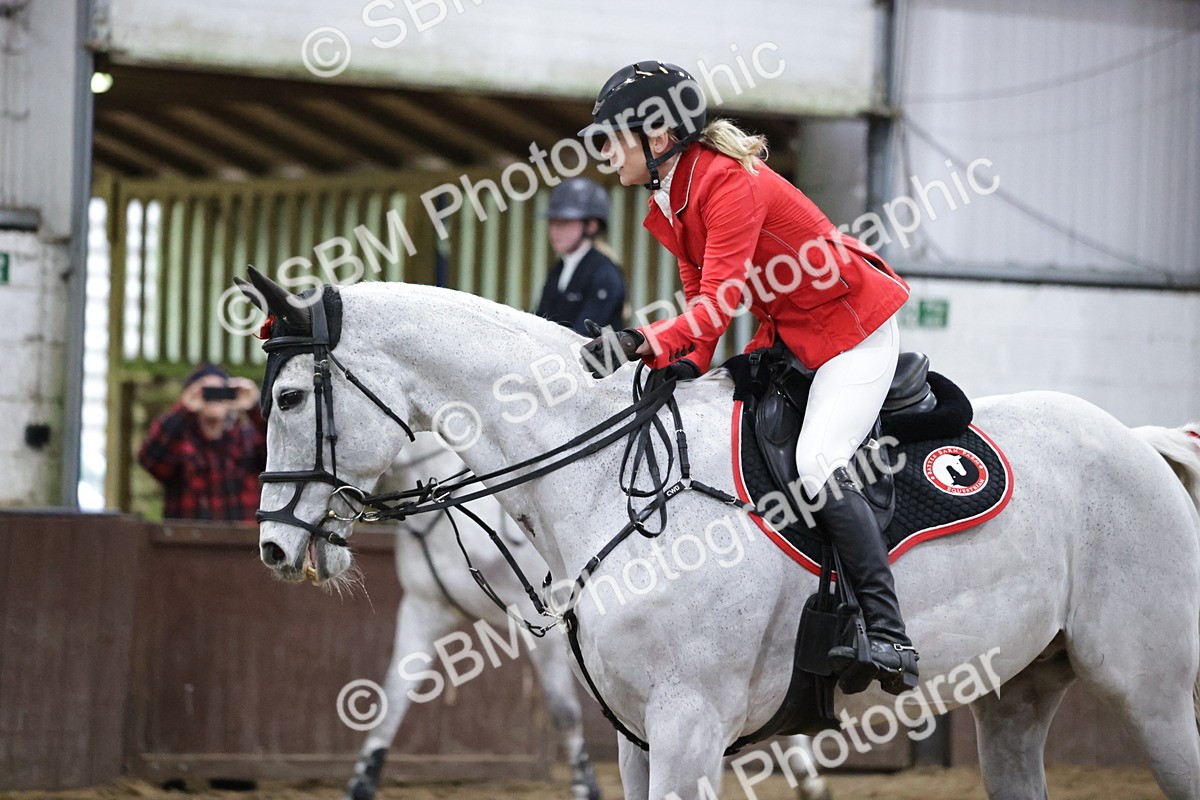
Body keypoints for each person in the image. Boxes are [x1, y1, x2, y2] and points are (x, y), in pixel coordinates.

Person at [577, 61, 918, 695]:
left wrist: (640, 340)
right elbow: (699, 298)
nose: (605, 152)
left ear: (658, 137)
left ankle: (888, 631)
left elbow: (720, 302)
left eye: (613, 138)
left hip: (852, 329)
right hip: (792, 335)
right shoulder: (671, 196)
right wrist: (682, 363)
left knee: (818, 461)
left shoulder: (728, 182)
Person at [138, 363, 266, 522]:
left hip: (242, 536)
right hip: (188, 536)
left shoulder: (247, 439)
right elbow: (150, 459)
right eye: (207, 391)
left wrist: (255, 407)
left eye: (220, 391)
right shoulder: (179, 442)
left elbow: (280, 455)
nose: (214, 398)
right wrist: (184, 408)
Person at [534, 177, 626, 334]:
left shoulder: (605, 273)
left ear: (591, 225)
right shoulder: (558, 269)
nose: (555, 231)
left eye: (565, 222)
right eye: (552, 222)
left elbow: (583, 335)